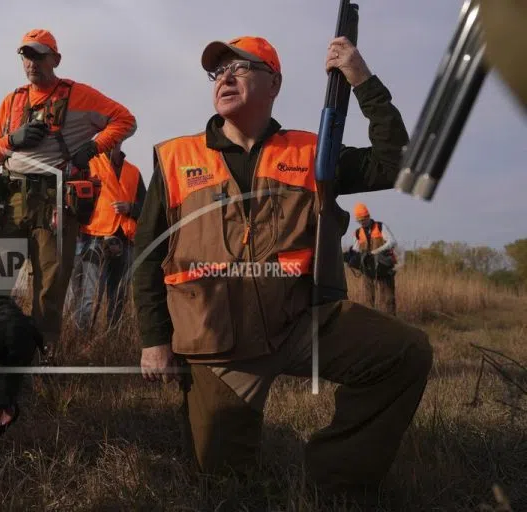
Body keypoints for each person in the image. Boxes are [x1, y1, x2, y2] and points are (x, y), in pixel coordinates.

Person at [132, 35, 433, 505]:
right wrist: (155, 340)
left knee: (406, 353)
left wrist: (361, 79)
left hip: (301, 322)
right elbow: (148, 254)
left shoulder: (313, 153)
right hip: (216, 344)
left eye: (240, 67)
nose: (225, 77)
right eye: (218, 71)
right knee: (226, 484)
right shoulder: (176, 158)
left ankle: (335, 478)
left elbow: (395, 163)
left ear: (273, 82)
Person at [0, 29, 136, 363]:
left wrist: (92, 148)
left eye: (39, 55)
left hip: (56, 204)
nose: (32, 62)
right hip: (14, 200)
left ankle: (41, 360)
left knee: (49, 291)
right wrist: (12, 140)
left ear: (56, 60)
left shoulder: (79, 95)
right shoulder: (12, 101)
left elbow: (126, 120)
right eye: (26, 55)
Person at [68, 142, 145, 334]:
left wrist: (131, 208)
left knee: (119, 295)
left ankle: (112, 340)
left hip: (125, 240)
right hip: (93, 237)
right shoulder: (88, 164)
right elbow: (71, 197)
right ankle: (80, 339)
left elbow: (146, 206)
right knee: (89, 296)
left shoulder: (133, 172)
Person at [348, 202, 398, 315]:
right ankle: (371, 323)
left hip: (383, 267)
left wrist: (375, 252)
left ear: (368, 216)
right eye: (359, 221)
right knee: (368, 299)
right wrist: (350, 256)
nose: (362, 223)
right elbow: (356, 249)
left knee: (388, 298)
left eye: (363, 219)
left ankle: (392, 324)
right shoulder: (358, 233)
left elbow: (392, 242)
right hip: (367, 269)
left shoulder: (380, 227)